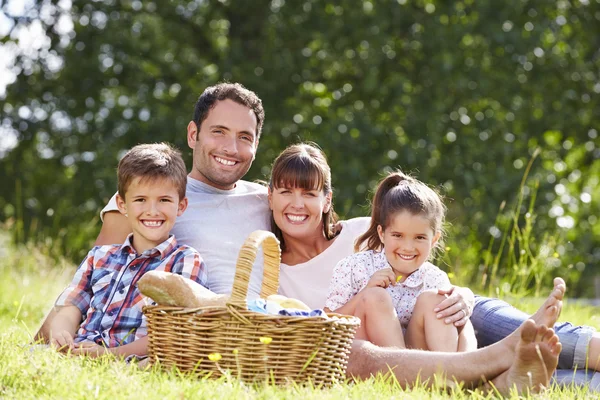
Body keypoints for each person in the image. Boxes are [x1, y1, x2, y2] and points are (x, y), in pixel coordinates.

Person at [32, 84, 582, 393]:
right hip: (289, 322)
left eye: (245, 136)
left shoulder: (266, 194)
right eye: (218, 132)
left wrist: (454, 293)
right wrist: (61, 326)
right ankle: (497, 369)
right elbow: (99, 276)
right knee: (357, 350)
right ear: (193, 135)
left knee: (545, 332)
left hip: (427, 295)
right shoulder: (154, 200)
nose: (231, 146)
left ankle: (522, 357)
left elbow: (394, 236)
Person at [270, 142, 599, 388]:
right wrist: (369, 292)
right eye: (286, 192)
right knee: (377, 298)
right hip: (373, 347)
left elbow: (454, 306)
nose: (297, 204)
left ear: (327, 199)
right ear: (269, 196)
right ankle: (489, 372)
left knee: (450, 302)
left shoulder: (363, 231)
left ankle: (484, 362)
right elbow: (325, 327)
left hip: (435, 329)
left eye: (309, 194)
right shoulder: (274, 266)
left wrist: (462, 297)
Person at [46, 143, 206, 358]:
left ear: (181, 206)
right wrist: (61, 333)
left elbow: (174, 332)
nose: (152, 211)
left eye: (164, 200)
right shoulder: (100, 257)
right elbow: (71, 307)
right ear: (122, 205)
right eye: (140, 200)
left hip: (130, 358)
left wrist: (109, 355)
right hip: (80, 351)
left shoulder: (185, 261)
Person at [324, 170, 476, 352]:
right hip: (370, 357)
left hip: (421, 359)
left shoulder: (434, 279)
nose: (408, 247)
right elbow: (326, 323)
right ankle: (402, 371)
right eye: (397, 235)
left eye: (419, 237)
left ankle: (449, 372)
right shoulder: (353, 267)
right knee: (375, 297)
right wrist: (364, 294)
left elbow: (463, 328)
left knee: (438, 301)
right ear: (382, 234)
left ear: (434, 240)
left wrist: (468, 360)